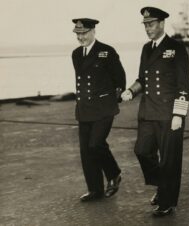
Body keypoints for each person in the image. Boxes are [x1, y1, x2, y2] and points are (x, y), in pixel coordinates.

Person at [121, 7, 189, 217]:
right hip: (148, 111)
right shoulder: (146, 48)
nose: (147, 28)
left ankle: (167, 201)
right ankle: (163, 186)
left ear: (161, 24)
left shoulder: (176, 48)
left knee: (170, 160)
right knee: (141, 151)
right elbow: (142, 79)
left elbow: (184, 84)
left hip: (169, 114)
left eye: (151, 24)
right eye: (145, 25)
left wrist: (179, 114)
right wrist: (130, 91)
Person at [71, 18, 126, 202]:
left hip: (104, 108)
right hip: (85, 109)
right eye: (78, 34)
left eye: (84, 33)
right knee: (86, 151)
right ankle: (95, 190)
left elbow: (120, 78)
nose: (81, 37)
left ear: (93, 31)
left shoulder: (106, 52)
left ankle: (114, 173)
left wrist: (114, 98)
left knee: (96, 144)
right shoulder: (76, 54)